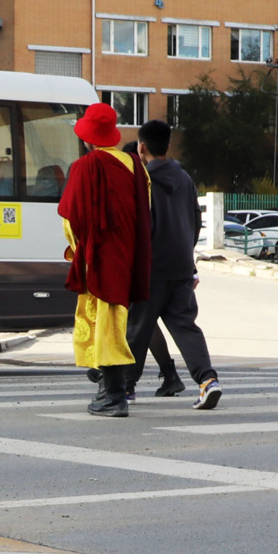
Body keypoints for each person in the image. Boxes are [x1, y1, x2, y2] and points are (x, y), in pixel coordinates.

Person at [58, 103, 150, 417]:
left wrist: (77, 250)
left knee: (106, 325)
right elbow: (144, 212)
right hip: (127, 255)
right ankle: (107, 387)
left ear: (87, 138)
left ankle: (114, 397)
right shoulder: (135, 165)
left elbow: (71, 219)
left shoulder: (84, 166)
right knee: (113, 324)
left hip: (99, 254)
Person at [126, 119, 222, 410]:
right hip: (181, 267)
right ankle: (208, 381)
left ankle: (125, 387)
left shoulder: (141, 180)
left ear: (141, 147)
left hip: (151, 267)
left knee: (138, 327)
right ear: (167, 145)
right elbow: (195, 221)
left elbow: (139, 225)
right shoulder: (185, 179)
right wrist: (187, 257)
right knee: (184, 325)